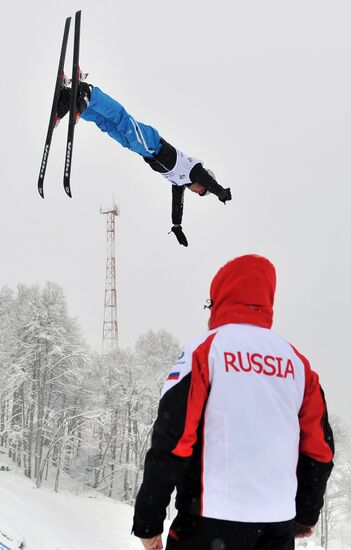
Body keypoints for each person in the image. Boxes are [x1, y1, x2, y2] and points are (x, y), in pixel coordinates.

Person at [131, 254, 334, 550]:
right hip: (276, 527)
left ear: (219, 297)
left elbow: (173, 437)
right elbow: (320, 449)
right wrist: (305, 512)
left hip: (210, 520)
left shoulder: (205, 351)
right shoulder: (297, 363)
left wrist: (148, 521)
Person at [57, 83, 232, 247]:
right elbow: (207, 180)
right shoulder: (195, 170)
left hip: (142, 151)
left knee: (108, 126)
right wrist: (221, 193)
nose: (197, 191)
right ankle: (90, 92)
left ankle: (74, 102)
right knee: (121, 119)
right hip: (152, 143)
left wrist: (177, 226)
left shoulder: (180, 182)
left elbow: (177, 203)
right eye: (201, 191)